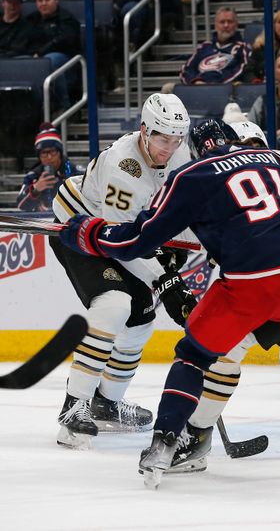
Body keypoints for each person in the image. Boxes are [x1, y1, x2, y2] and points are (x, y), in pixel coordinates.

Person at [58, 120, 280, 488]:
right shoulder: (275, 160)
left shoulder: (191, 175)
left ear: (191, 148)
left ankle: (164, 445)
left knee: (193, 356)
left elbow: (137, 240)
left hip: (253, 282)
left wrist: (88, 233)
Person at [48, 93, 194, 450]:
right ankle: (73, 408)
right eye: (162, 138)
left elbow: (178, 210)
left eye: (177, 139)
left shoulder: (180, 153)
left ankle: (106, 403)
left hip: (126, 232)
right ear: (144, 131)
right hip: (83, 230)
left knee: (142, 317)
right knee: (114, 304)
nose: (169, 147)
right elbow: (121, 244)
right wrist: (167, 279)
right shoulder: (123, 168)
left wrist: (175, 256)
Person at [25, 0, 81, 111]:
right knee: (21, 60)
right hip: (36, 57)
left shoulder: (67, 19)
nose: (43, 4)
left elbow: (64, 41)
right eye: (40, 0)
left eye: (47, 0)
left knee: (51, 60)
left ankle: (64, 106)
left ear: (56, 0)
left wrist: (40, 53)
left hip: (65, 62)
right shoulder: (31, 19)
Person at [16, 124, 82, 212]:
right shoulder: (33, 176)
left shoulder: (75, 172)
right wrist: (36, 189)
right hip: (42, 222)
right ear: (39, 156)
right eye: (44, 153)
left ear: (60, 152)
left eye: (53, 151)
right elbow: (21, 205)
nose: (49, 157)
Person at [179, 7, 251, 85]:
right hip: (197, 88)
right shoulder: (204, 47)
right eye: (222, 22)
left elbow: (242, 71)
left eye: (230, 22)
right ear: (215, 26)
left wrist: (215, 86)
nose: (226, 25)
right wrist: (195, 81)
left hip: (224, 91)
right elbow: (186, 70)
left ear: (236, 25)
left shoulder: (243, 48)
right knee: (168, 88)